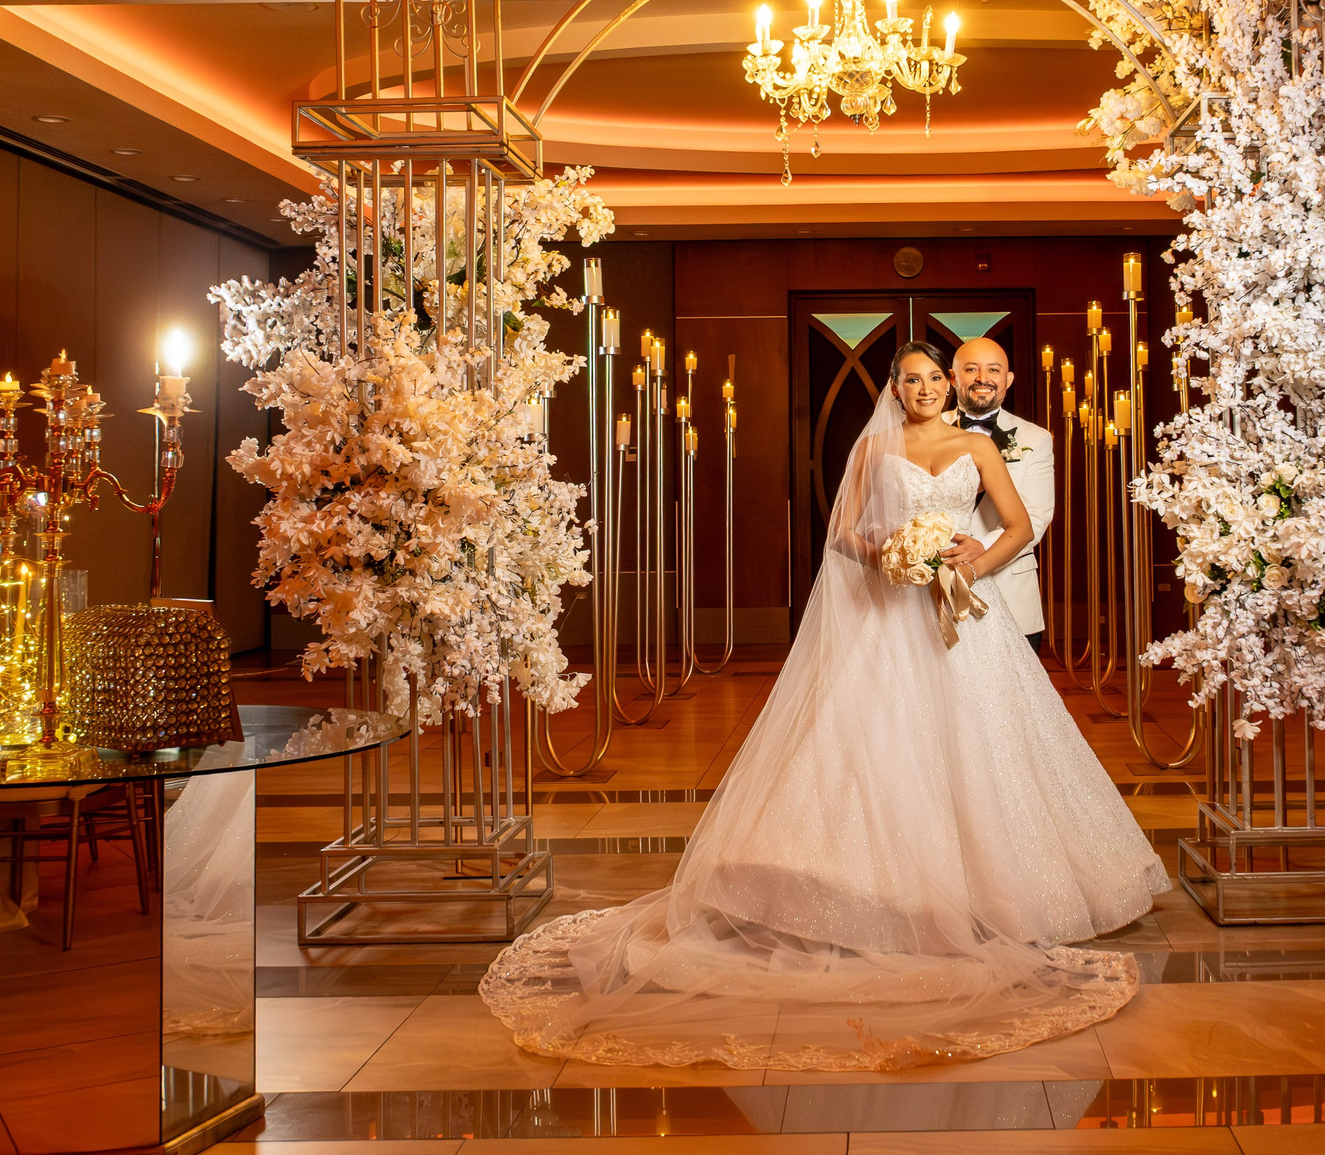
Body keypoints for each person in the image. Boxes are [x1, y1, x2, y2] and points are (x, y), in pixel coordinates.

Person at [479, 340, 1164, 1072]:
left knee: (986, 745)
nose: (927, 388)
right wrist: (891, 558)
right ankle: (865, 887)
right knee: (873, 744)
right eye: (913, 379)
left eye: (937, 377)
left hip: (965, 615)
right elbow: (843, 530)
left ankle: (994, 887)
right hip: (889, 614)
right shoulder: (874, 449)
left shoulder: (976, 446)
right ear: (895, 390)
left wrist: (972, 562)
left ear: (947, 385)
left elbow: (1020, 526)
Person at [942, 337, 1055, 652]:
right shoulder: (925, 431)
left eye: (993, 370)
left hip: (1011, 592)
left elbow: (1036, 515)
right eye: (971, 369)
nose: (983, 378)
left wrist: (982, 547)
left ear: (1008, 379)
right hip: (938, 586)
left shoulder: (1036, 439)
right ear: (953, 378)